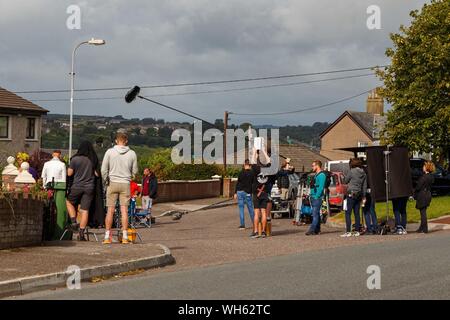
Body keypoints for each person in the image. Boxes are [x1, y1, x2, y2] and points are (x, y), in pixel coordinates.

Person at [102, 132, 138, 244]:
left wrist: (106, 180)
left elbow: (103, 169)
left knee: (110, 211)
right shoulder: (132, 153)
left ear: (116, 141)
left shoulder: (109, 152)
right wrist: (130, 177)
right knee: (124, 211)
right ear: (126, 141)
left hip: (112, 182)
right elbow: (135, 171)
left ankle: (107, 236)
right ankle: (125, 236)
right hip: (125, 183)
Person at [66, 141, 98, 241]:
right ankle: (81, 233)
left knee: (69, 202)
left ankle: (74, 221)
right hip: (89, 187)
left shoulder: (75, 159)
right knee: (85, 210)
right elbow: (97, 174)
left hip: (77, 186)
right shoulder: (92, 160)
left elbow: (69, 173)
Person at [341, 158, 367, 238]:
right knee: (357, 213)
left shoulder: (351, 171)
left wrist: (343, 177)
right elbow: (364, 186)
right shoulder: (364, 173)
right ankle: (357, 231)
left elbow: (345, 181)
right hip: (359, 194)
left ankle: (348, 231)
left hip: (351, 193)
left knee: (348, 213)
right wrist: (363, 196)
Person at [250, 147, 271, 238]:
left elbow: (252, 161)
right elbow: (269, 161)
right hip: (264, 193)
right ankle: (263, 231)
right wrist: (265, 152)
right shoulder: (268, 169)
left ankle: (255, 232)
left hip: (256, 193)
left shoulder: (255, 168)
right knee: (264, 213)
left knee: (256, 213)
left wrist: (255, 152)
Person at [306, 160, 326, 236]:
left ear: (317, 166)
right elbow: (310, 184)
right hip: (312, 196)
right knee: (316, 214)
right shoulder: (315, 175)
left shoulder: (322, 175)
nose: (312, 167)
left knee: (314, 214)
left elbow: (321, 187)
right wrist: (308, 179)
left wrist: (317, 196)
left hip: (317, 197)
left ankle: (312, 230)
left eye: (313, 165)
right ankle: (317, 230)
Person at [414, 161, 435, 234]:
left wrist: (414, 192)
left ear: (426, 168)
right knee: (423, 211)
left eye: (424, 166)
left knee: (423, 213)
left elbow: (418, 186)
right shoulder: (431, 176)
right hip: (428, 194)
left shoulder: (424, 177)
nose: (423, 167)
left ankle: (425, 229)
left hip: (422, 195)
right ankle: (421, 228)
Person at [234, 159, 255, 230]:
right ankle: (255, 223)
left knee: (241, 209)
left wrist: (235, 192)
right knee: (251, 208)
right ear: (249, 165)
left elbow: (238, 183)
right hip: (247, 192)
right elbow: (253, 184)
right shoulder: (252, 173)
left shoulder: (241, 172)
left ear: (244, 165)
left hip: (239, 191)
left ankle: (242, 225)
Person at [362, 166, 378, 235]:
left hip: (365, 194)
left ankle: (369, 228)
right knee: (372, 211)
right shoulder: (373, 175)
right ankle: (375, 227)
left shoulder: (363, 175)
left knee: (366, 211)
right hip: (372, 193)